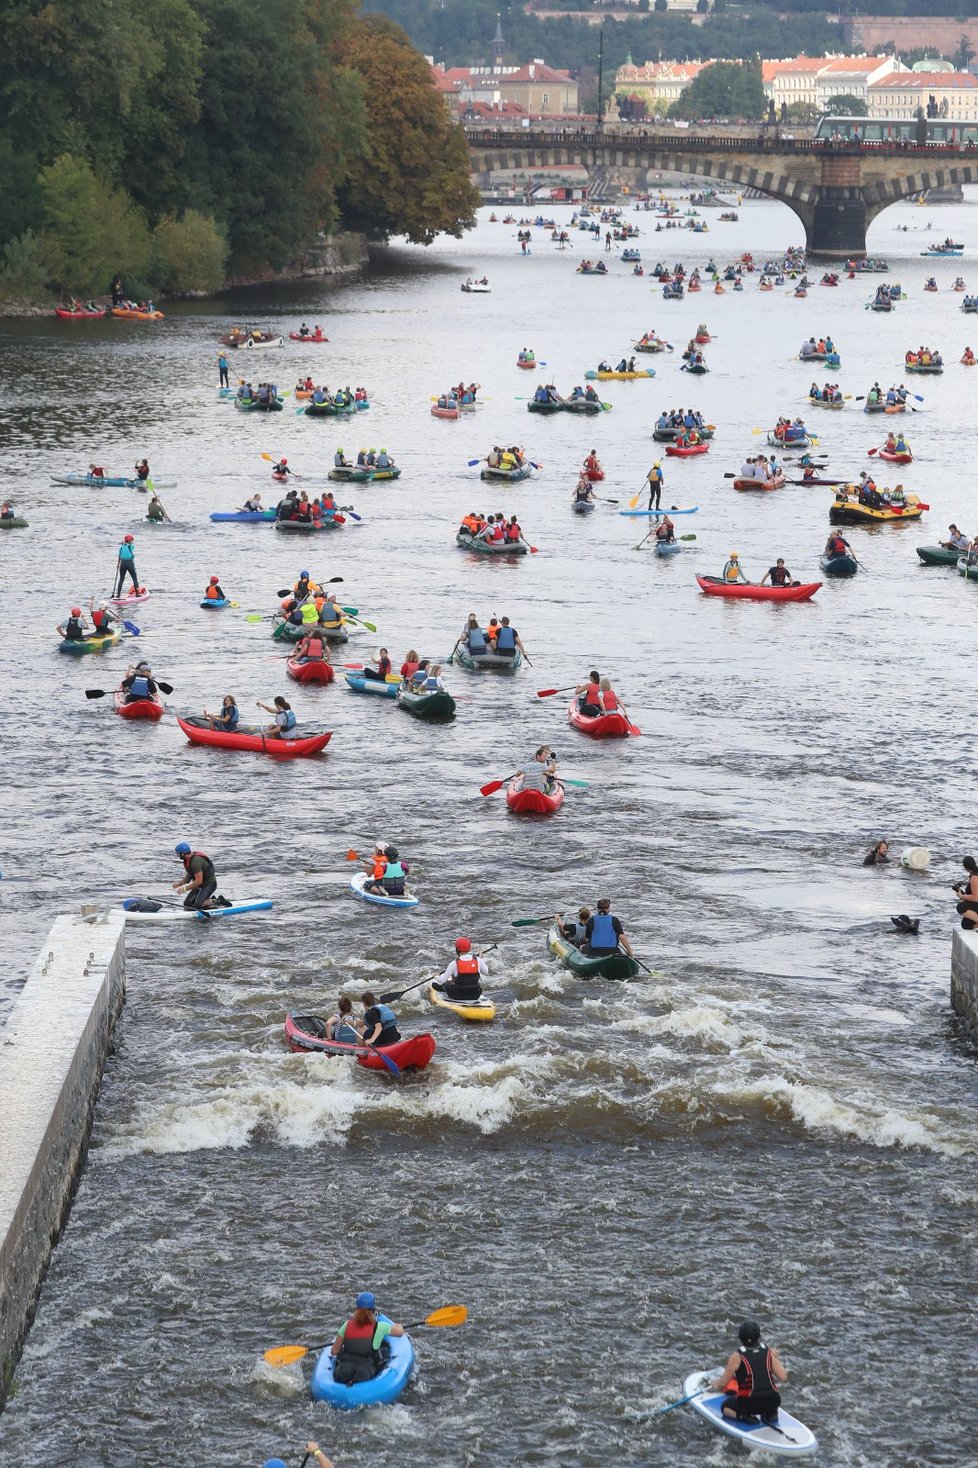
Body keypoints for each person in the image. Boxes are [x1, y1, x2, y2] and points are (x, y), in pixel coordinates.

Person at [711, 1320, 788, 1426]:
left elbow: (723, 1384)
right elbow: (783, 1376)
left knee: (725, 1407)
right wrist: (775, 1357)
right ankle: (771, 1415)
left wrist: (714, 1384)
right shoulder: (769, 1352)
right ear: (758, 1336)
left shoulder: (737, 1356)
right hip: (773, 1402)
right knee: (769, 1403)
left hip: (749, 1404)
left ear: (740, 1337)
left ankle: (743, 1416)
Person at [330, 1292, 405, 1384]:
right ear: (372, 1310)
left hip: (343, 1372)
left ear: (356, 1309)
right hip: (365, 1374)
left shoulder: (346, 1325)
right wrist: (398, 1325)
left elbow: (334, 1351)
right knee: (384, 1351)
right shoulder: (379, 1327)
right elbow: (400, 1332)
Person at [432, 936, 488, 1001]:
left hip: (458, 995)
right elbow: (486, 972)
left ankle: (441, 988)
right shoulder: (478, 960)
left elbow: (442, 980)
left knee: (447, 984)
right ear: (469, 948)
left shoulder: (454, 963)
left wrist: (435, 976)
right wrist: (481, 960)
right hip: (475, 994)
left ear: (457, 949)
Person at [173, 842, 225, 911]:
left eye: (178, 853)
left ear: (183, 853)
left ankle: (217, 901)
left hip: (209, 884)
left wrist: (184, 889)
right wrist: (180, 883)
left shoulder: (195, 862)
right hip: (200, 885)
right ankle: (206, 901)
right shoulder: (188, 859)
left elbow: (198, 881)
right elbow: (190, 875)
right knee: (187, 903)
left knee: (199, 905)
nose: (177, 855)